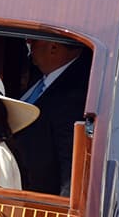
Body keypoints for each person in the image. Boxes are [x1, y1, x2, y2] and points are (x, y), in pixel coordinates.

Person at [14, 39, 91, 195]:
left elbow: (71, 162)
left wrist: (66, 209)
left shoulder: (73, 95)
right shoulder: (41, 74)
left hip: (38, 199)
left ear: (54, 48)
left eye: (34, 41)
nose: (29, 42)